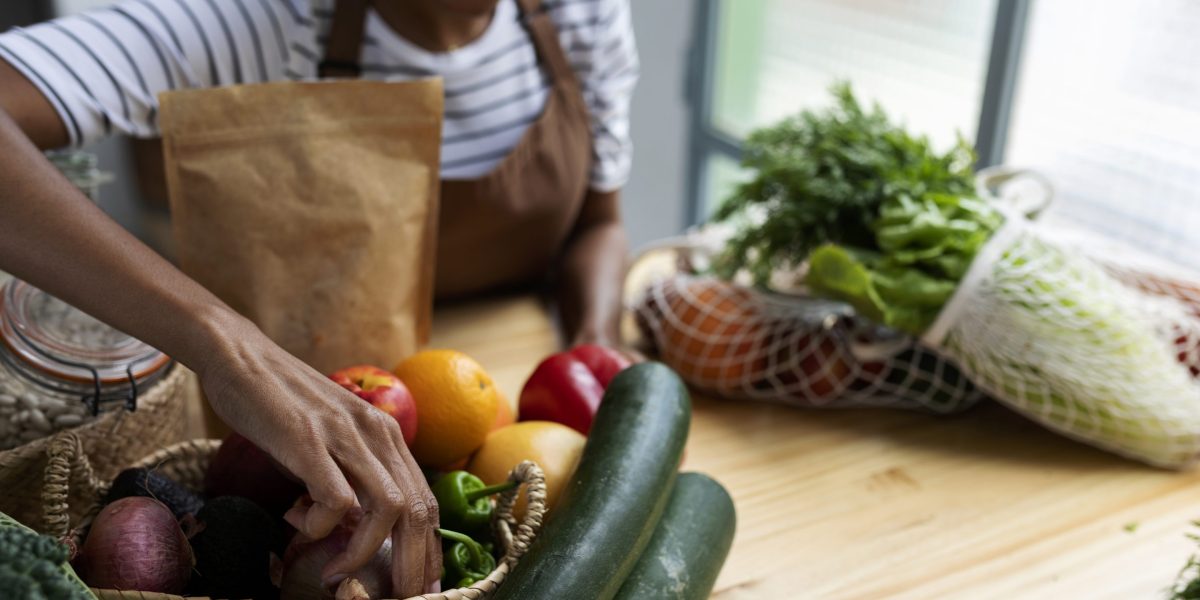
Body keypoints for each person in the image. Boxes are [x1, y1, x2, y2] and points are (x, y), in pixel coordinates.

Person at [0, 0, 638, 594]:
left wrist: (592, 349)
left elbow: (599, 221)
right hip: (285, 423)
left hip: (501, 403)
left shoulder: (579, 14)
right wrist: (230, 347)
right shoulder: (262, 22)